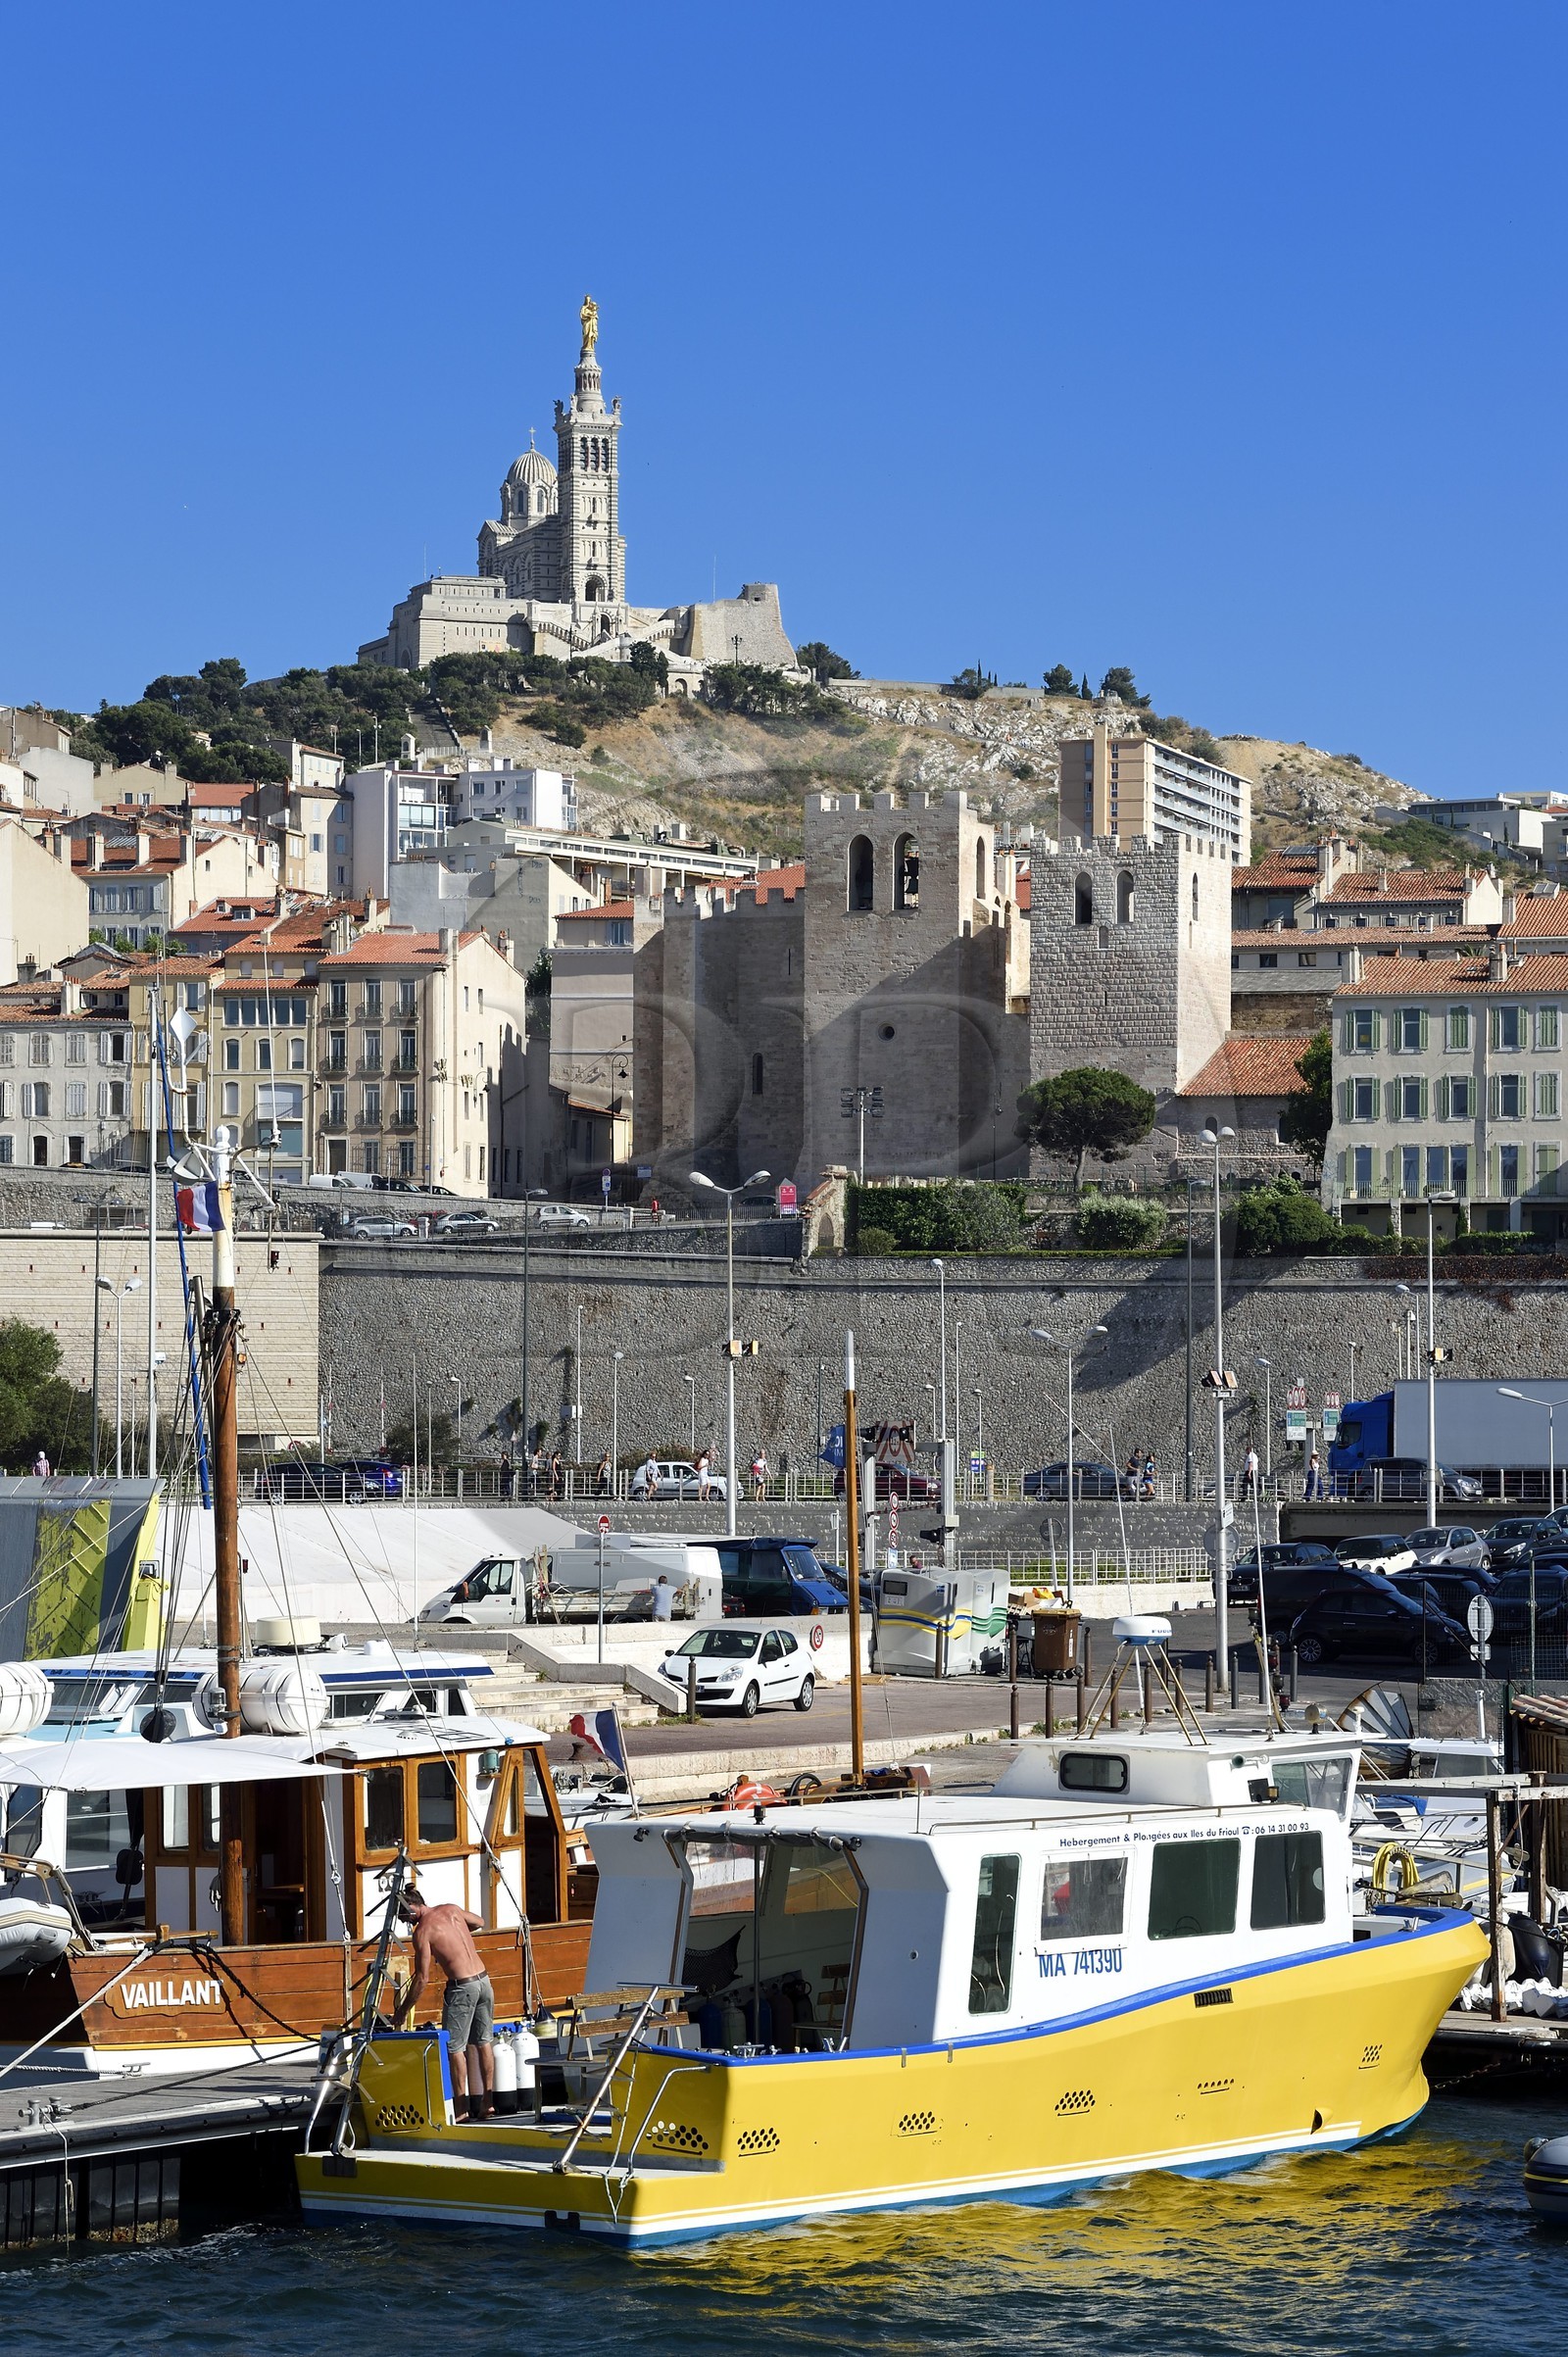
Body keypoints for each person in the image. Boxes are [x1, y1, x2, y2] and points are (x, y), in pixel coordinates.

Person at [393, 1889, 494, 2120]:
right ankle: (487, 2104)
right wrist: (454, 1938)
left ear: (411, 1909)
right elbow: (479, 1922)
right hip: (484, 1981)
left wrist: (403, 2010)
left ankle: (461, 2110)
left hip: (462, 1987)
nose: (404, 1922)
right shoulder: (452, 1909)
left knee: (454, 2048)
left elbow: (422, 1978)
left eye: (403, 1917)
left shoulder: (422, 1932)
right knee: (484, 2042)